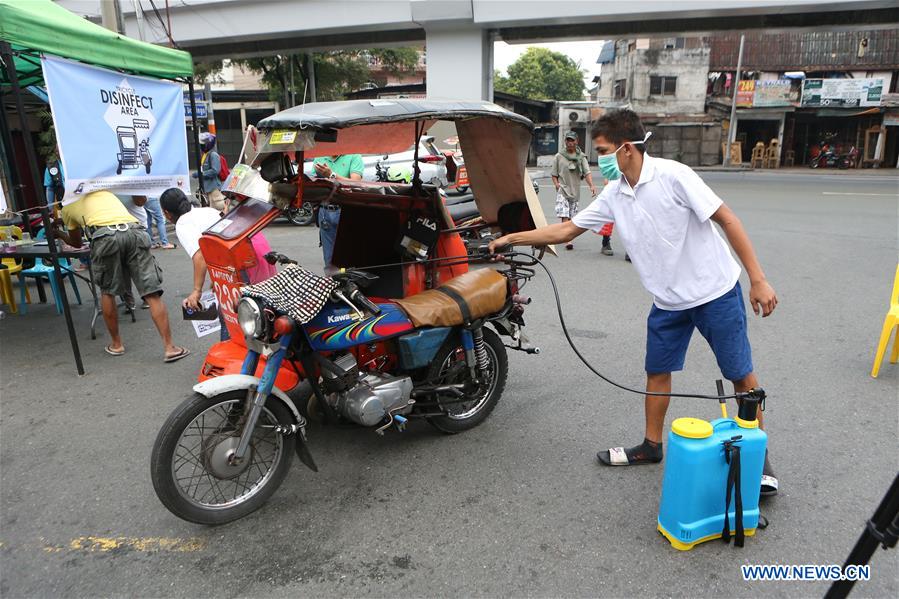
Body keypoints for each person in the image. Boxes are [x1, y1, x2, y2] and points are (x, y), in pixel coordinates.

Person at [490, 109, 779, 496]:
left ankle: (760, 459)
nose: (599, 159)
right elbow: (567, 229)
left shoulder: (674, 176)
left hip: (714, 292)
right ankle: (650, 446)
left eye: (603, 150)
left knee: (740, 375)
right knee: (657, 371)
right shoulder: (616, 193)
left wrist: (757, 279)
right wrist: (512, 238)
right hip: (668, 300)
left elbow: (727, 219)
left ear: (626, 148)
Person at [54, 190, 190, 363]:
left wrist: (59, 233)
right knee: (151, 292)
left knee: (108, 291)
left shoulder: (67, 207)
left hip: (105, 237)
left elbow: (76, 243)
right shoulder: (103, 192)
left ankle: (117, 344)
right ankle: (170, 348)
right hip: (134, 231)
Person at [159, 188, 275, 341]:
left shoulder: (183, 223)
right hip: (258, 250)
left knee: (234, 315)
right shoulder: (206, 211)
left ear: (167, 213)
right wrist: (218, 279)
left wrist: (196, 291)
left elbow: (200, 256)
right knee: (262, 308)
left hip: (243, 260)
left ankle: (238, 350)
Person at [310, 154, 363, 268]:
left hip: (346, 210)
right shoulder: (320, 156)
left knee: (348, 254)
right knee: (329, 258)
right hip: (324, 211)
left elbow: (356, 183)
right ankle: (332, 278)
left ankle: (350, 278)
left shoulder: (354, 155)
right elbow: (312, 181)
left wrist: (331, 175)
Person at [552, 131, 597, 252]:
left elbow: (587, 172)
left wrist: (591, 186)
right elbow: (554, 174)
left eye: (572, 140)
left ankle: (564, 234)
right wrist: (556, 184)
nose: (570, 142)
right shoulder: (559, 156)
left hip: (575, 191)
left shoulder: (581, 157)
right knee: (564, 214)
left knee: (571, 216)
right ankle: (567, 239)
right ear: (565, 141)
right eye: (568, 140)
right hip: (563, 189)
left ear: (577, 141)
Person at [197, 132, 226, 212]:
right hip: (207, 189)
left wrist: (200, 174)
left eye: (203, 144)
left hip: (214, 188)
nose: (201, 146)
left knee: (218, 210)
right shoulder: (205, 155)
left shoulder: (213, 155)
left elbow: (215, 170)